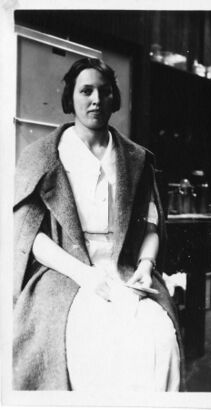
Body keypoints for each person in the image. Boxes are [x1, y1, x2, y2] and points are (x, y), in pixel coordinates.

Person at [13, 57, 185, 391]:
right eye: (86, 90)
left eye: (104, 92)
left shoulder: (136, 158)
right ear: (70, 97)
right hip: (64, 271)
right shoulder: (42, 156)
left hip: (125, 269)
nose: (95, 99)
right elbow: (31, 236)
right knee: (88, 342)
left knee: (159, 338)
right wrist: (84, 275)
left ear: (113, 99)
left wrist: (147, 266)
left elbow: (149, 225)